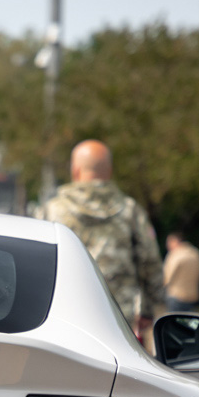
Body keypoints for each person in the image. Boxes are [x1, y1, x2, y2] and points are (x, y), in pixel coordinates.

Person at [44, 139, 164, 335]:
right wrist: (148, 309)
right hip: (119, 318)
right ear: (109, 171)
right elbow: (150, 262)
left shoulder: (52, 210)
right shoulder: (130, 210)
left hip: (66, 313)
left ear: (75, 170)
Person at [163, 232, 199, 312]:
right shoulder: (196, 253)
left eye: (169, 242)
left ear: (175, 241)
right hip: (192, 297)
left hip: (176, 296)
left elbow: (167, 277)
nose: (167, 246)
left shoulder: (175, 254)